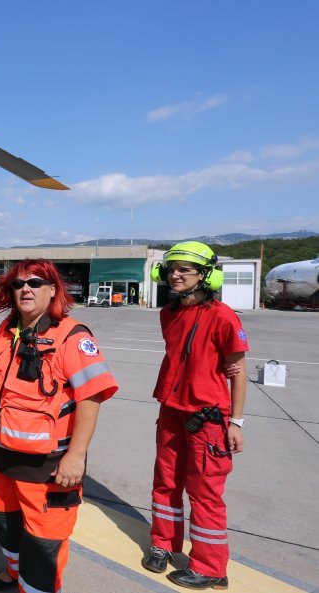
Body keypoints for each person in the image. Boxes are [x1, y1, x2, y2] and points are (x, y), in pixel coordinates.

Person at [0, 259, 118, 592]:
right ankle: (14, 572)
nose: (26, 290)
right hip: (3, 459)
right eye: (18, 285)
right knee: (4, 522)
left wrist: (76, 457)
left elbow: (91, 398)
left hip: (47, 469)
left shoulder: (72, 336)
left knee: (43, 544)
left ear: (52, 290)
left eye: (35, 283)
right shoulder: (7, 330)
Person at [141, 241, 247, 590]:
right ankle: (163, 545)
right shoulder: (167, 314)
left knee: (205, 494)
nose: (175, 274)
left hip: (208, 420)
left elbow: (238, 370)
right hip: (171, 411)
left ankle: (211, 567)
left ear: (206, 275)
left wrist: (237, 421)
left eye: (185, 269)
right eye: (171, 268)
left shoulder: (223, 316)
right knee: (166, 482)